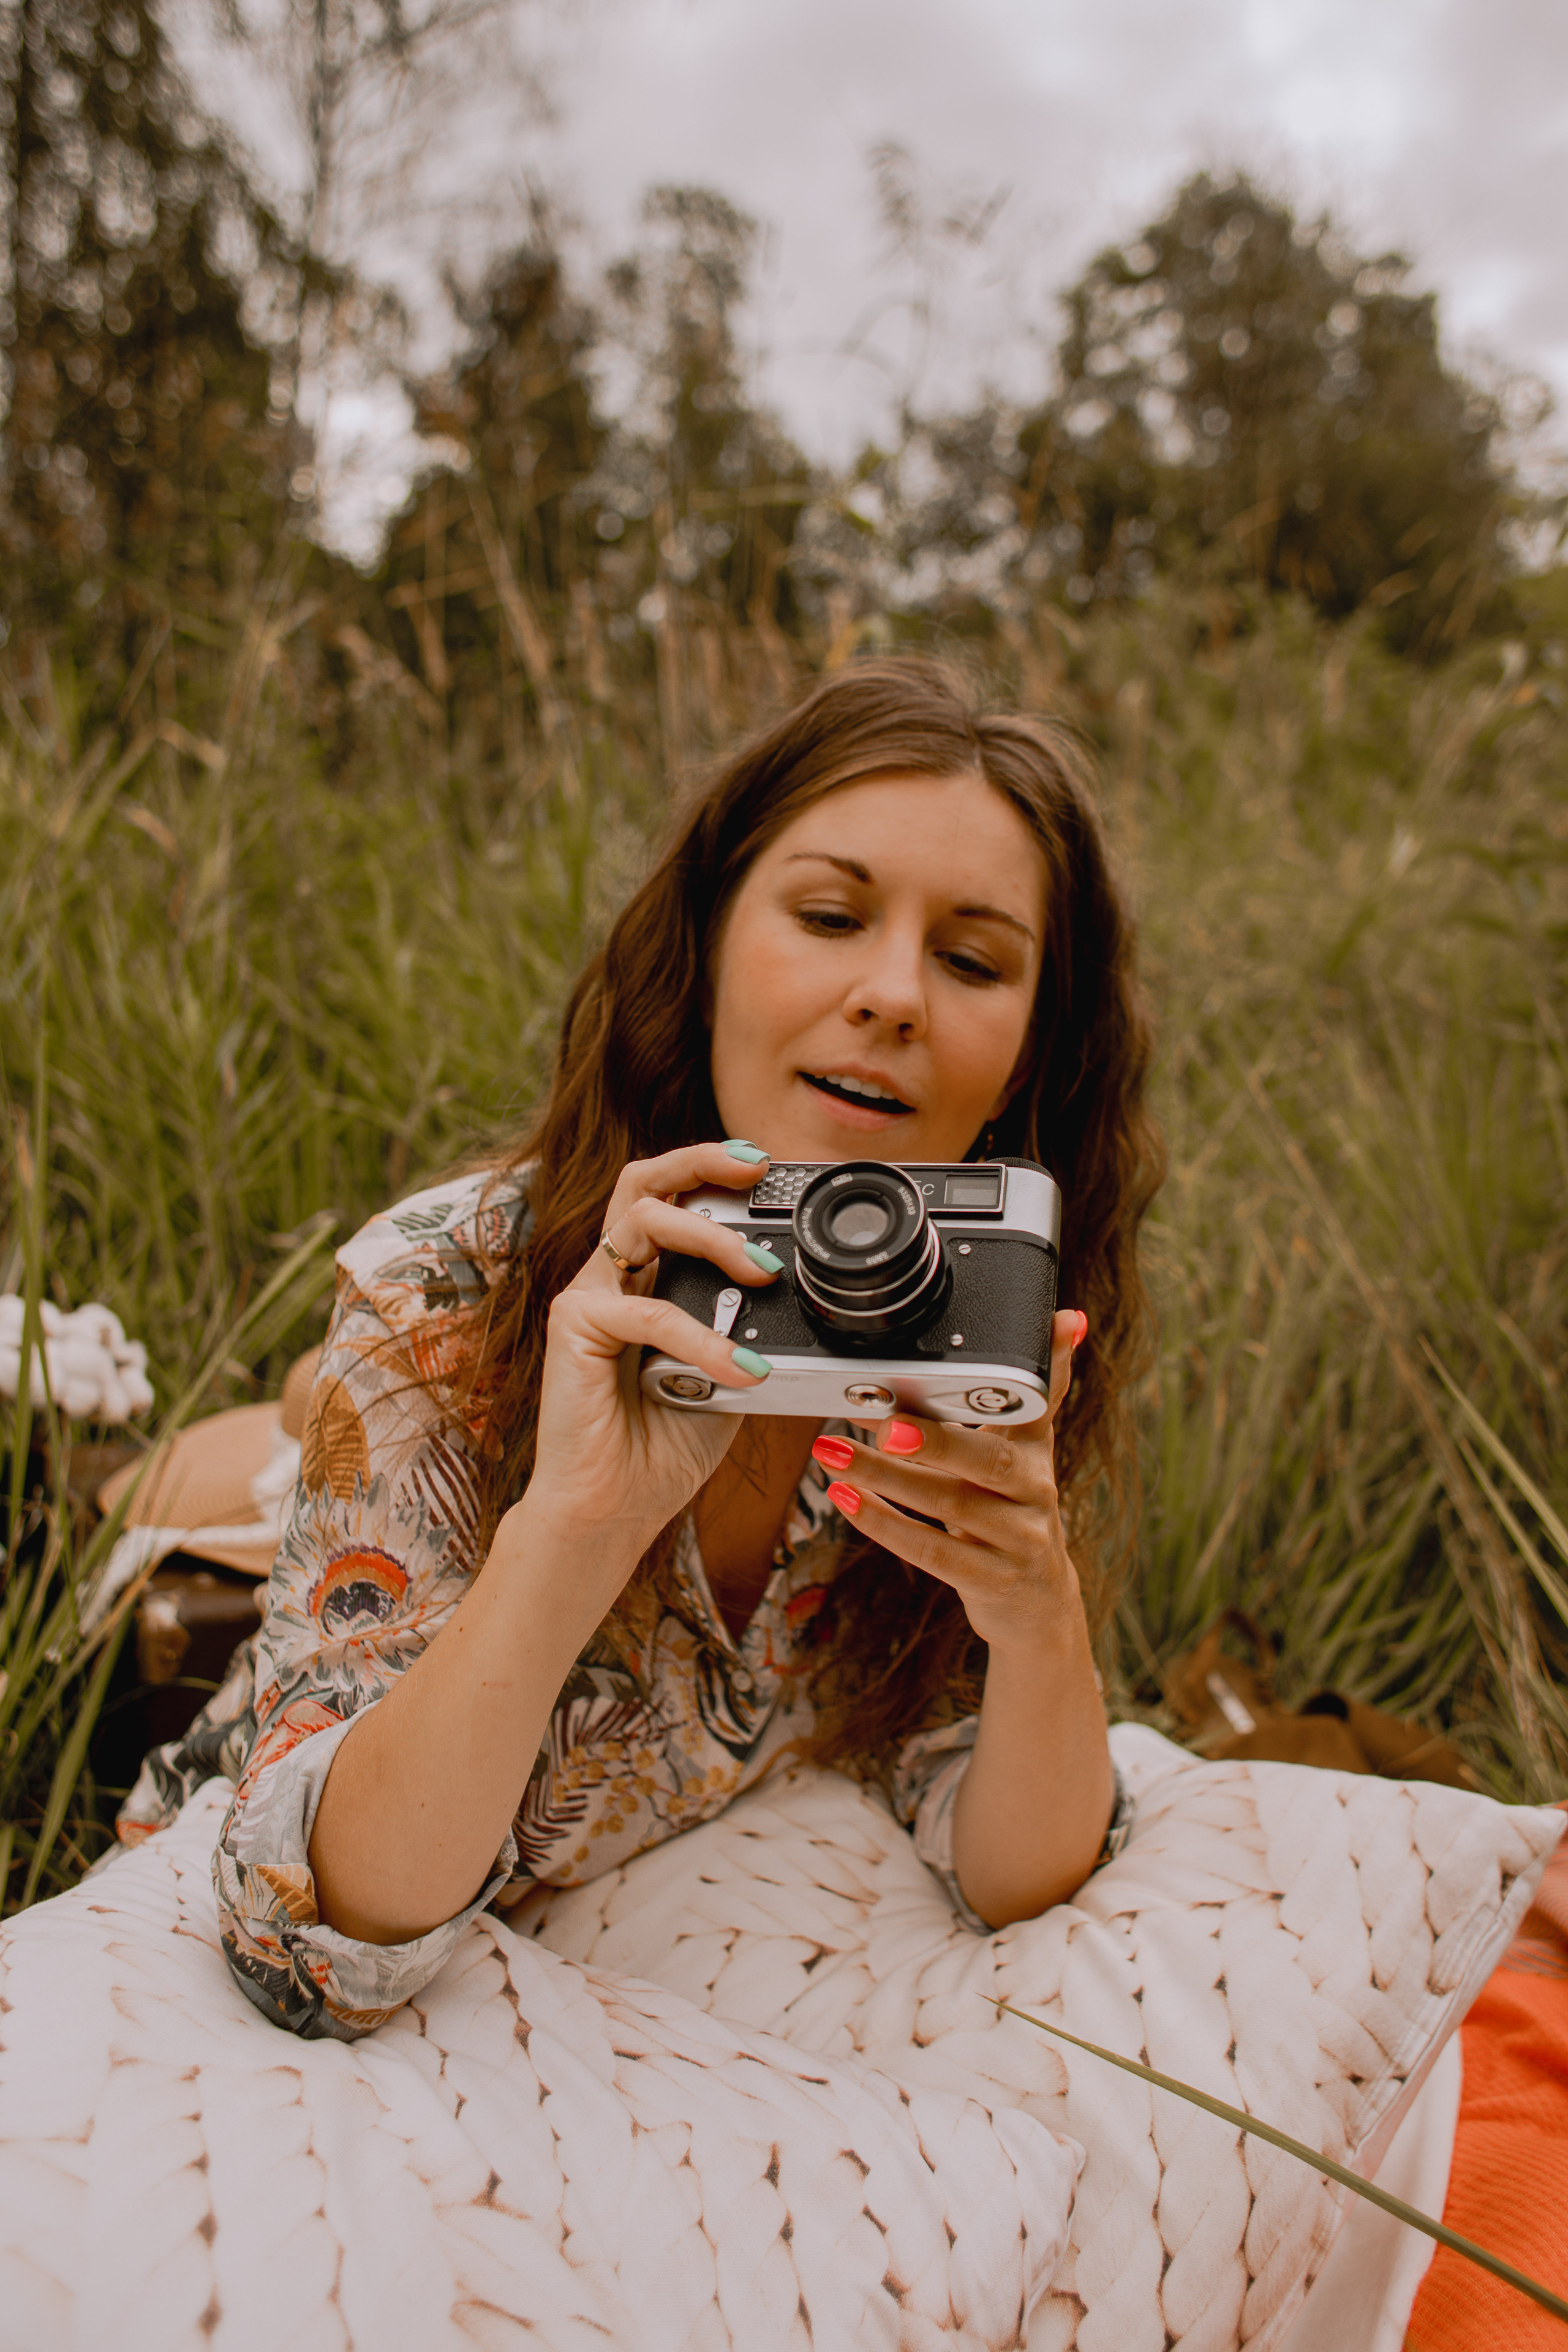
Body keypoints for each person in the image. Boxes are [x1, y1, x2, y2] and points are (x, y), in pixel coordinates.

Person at [120, 656, 1163, 2039]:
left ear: (1029, 1053)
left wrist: (1037, 1614)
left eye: (972, 960)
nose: (894, 994)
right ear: (711, 940)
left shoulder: (979, 1332)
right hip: (312, 1907)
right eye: (829, 915)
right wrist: (577, 1521)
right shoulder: (450, 1281)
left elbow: (1011, 1875)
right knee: (172, 1494)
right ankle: (113, 1474)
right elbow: (320, 1947)